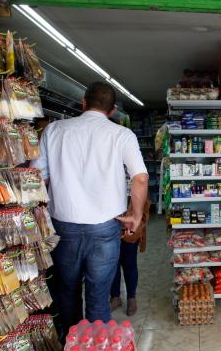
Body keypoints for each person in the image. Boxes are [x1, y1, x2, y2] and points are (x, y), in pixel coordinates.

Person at [31, 82, 148, 337]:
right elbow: (140, 178)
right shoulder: (122, 134)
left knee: (68, 292)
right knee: (98, 295)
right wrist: (136, 216)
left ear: (83, 103)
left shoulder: (54, 130)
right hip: (106, 227)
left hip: (63, 226)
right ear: (112, 110)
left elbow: (38, 177)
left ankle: (71, 347)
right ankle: (97, 349)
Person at [110, 194, 151, 316]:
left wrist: (138, 221)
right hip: (110, 223)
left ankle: (131, 297)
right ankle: (115, 297)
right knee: (112, 264)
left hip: (131, 226)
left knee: (129, 262)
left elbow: (143, 197)